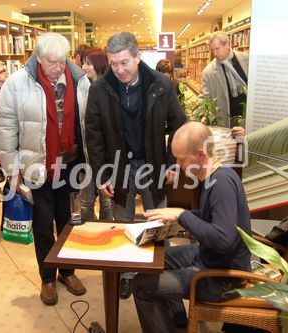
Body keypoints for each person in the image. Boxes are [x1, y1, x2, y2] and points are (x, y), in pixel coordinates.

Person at [85, 32, 187, 299]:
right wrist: (101, 173)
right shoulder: (99, 88)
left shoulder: (162, 84)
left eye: (124, 63)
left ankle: (158, 273)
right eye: (113, 63)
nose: (119, 70)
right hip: (119, 166)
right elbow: (93, 135)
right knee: (124, 224)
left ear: (138, 56)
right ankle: (127, 274)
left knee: (157, 221)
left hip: (153, 164)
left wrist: (172, 163)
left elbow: (178, 124)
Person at [0, 32, 90, 306]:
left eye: (62, 61)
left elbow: (87, 124)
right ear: (38, 57)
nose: (58, 67)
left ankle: (68, 271)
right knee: (42, 225)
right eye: (51, 62)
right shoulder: (16, 84)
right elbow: (6, 128)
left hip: (71, 165)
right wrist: (12, 170)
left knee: (68, 221)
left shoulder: (80, 81)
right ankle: (48, 277)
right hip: (37, 168)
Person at [132, 121, 252, 333]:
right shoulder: (216, 176)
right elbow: (210, 219)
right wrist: (176, 217)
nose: (178, 165)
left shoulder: (221, 184)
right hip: (209, 258)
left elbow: (223, 240)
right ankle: (178, 316)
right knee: (157, 256)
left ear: (201, 154)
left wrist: (182, 215)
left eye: (182, 160)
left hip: (221, 279)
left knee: (141, 285)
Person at [79, 47, 113, 221]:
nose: (84, 66)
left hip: (105, 156)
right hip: (85, 155)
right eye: (83, 62)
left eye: (88, 63)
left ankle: (106, 235)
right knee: (85, 202)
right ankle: (88, 237)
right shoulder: (80, 87)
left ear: (99, 65)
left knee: (107, 202)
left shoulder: (109, 88)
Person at [198, 31, 248, 134]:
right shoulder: (209, 72)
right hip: (227, 122)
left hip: (248, 118)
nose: (215, 53)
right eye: (212, 50)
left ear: (227, 45)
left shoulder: (246, 59)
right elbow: (203, 98)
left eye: (217, 49)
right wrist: (193, 122)